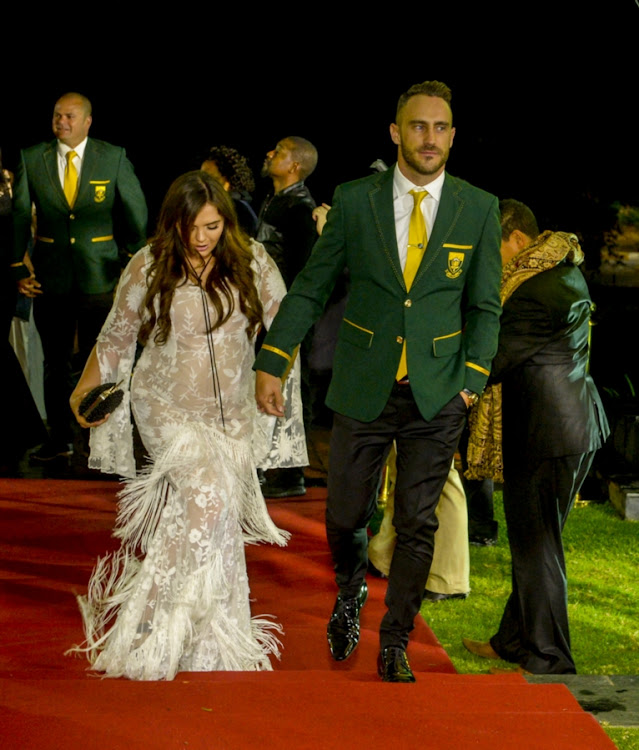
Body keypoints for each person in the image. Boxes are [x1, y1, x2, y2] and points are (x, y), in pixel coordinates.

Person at [255, 80, 502, 682]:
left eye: (441, 128)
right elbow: (311, 286)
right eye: (419, 127)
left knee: (419, 522)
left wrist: (470, 380)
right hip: (364, 384)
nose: (431, 139)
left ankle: (396, 640)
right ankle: (349, 590)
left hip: (438, 390)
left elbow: (485, 307)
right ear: (396, 133)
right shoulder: (355, 200)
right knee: (343, 515)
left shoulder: (478, 206)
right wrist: (273, 357)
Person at [68, 171, 306, 681]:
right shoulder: (148, 264)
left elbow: (287, 327)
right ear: (172, 223)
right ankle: (156, 639)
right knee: (208, 500)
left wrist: (273, 376)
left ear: (227, 221)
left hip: (234, 413)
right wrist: (83, 391)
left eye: (213, 226)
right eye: (191, 227)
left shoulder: (253, 262)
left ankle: (203, 644)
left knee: (209, 516)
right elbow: (116, 337)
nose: (201, 238)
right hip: (165, 407)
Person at [463, 199, 609, 674]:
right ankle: (514, 640)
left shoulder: (531, 292)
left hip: (547, 433)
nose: (490, 263)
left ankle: (550, 656)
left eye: (494, 250)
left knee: (536, 545)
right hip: (571, 427)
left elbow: (493, 361)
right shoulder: (561, 271)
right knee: (537, 541)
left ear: (519, 241)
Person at [11, 92, 148, 461]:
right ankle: (60, 438)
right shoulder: (31, 157)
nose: (62, 122)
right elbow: (21, 215)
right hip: (50, 278)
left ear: (88, 121)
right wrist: (17, 268)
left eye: (70, 116)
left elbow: (135, 212)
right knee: (54, 363)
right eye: (57, 115)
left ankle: (97, 440)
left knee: (98, 359)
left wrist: (132, 262)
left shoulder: (112, 156)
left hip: (99, 278)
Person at [256, 136, 318, 498]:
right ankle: (270, 464)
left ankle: (290, 471)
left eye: (278, 151)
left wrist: (293, 315)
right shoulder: (276, 201)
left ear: (295, 165)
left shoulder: (299, 210)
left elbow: (304, 268)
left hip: (287, 312)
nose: (269, 153)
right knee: (272, 383)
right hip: (266, 311)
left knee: (292, 384)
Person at [200, 145, 258, 236]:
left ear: (228, 180)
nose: (202, 182)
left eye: (210, 178)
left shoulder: (239, 210)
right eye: (201, 177)